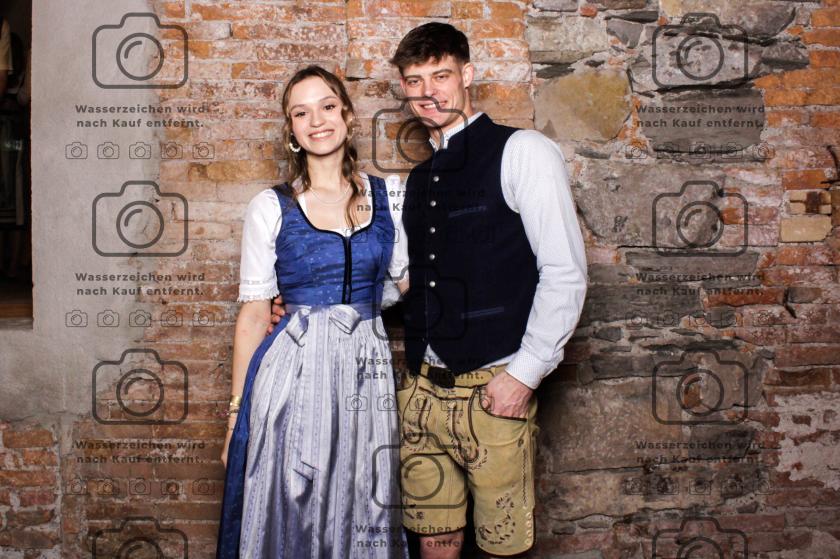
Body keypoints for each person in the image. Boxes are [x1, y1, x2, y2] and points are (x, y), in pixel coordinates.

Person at [272, 23, 588, 558]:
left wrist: (523, 376)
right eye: (414, 81)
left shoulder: (523, 151)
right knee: (434, 544)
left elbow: (566, 272)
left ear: (468, 75)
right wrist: (317, 303)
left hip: (493, 388)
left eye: (440, 76)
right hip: (421, 395)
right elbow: (407, 284)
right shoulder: (417, 182)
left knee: (502, 548)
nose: (428, 92)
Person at [216, 65, 410, 559]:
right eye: (301, 113)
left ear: (347, 115)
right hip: (293, 376)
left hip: (366, 375)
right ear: (291, 130)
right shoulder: (270, 206)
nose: (317, 121)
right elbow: (254, 315)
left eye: (326, 106)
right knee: (292, 502)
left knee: (363, 496)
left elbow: (404, 285)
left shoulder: (388, 196)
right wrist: (235, 416)